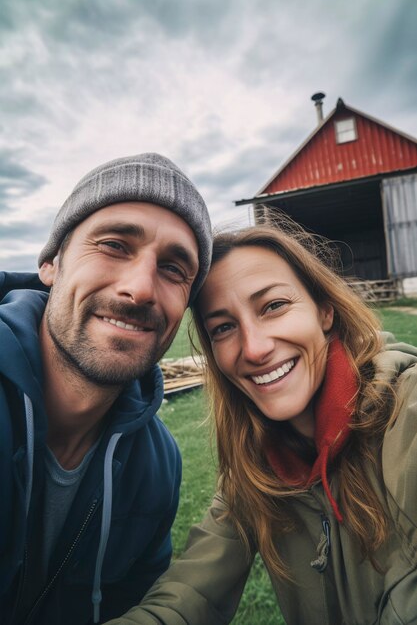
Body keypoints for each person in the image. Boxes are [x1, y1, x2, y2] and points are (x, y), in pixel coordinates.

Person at [105, 224, 417, 625]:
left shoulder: (404, 413)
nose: (254, 348)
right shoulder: (255, 471)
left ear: (325, 311)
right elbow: (189, 595)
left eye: (273, 306)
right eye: (223, 327)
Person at [0, 152, 212, 625]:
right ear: (51, 264)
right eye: (115, 245)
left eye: (175, 269)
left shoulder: (158, 466)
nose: (140, 289)